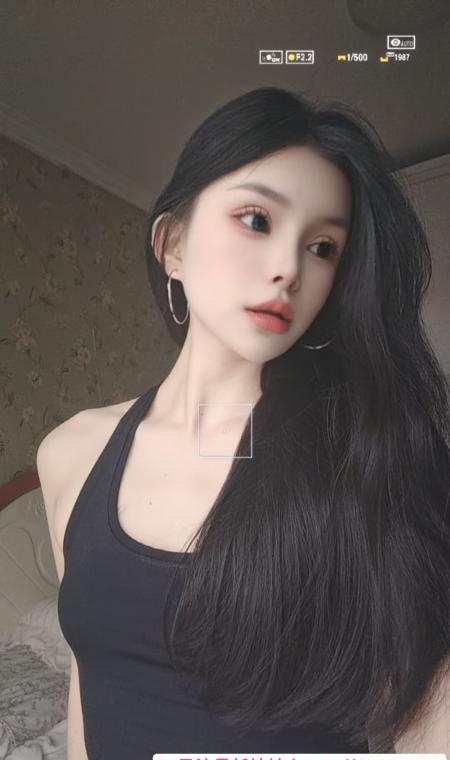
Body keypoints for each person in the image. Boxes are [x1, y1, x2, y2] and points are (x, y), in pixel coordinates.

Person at [41, 86, 450, 758]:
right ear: (172, 244)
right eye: (257, 220)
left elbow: (426, 714)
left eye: (323, 247)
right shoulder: (70, 454)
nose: (289, 269)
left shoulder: (370, 455)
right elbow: (91, 673)